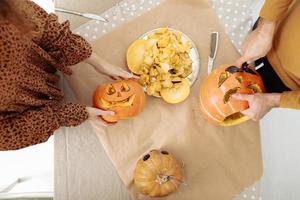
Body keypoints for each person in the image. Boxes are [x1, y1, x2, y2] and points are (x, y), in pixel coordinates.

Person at [0, 0, 134, 150]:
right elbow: (10, 133)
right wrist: (63, 116)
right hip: (29, 110)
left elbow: (46, 29)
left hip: (46, 67)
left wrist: (98, 62)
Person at [233, 0, 300, 121]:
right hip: (272, 26)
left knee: (239, 104)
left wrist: (272, 100)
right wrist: (264, 30)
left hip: (283, 82)